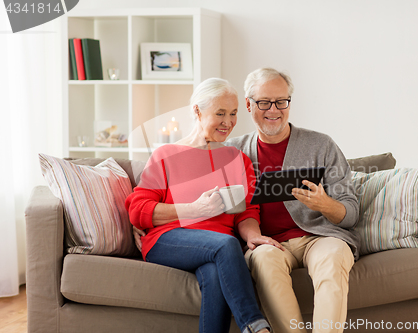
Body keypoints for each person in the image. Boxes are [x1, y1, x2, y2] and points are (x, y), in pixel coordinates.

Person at [126, 78, 282, 333]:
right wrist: (195, 210)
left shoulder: (237, 160)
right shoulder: (166, 154)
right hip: (168, 240)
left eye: (233, 114)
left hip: (217, 248)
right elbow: (138, 209)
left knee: (214, 275)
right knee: (226, 244)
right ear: (198, 110)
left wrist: (254, 237)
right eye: (220, 113)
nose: (229, 122)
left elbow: (247, 211)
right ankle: (255, 326)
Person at [225, 68, 360, 333]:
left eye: (281, 101)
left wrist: (324, 204)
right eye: (264, 102)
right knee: (262, 261)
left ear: (289, 102)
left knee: (333, 257)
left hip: (320, 238)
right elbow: (215, 205)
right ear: (248, 104)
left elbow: (352, 212)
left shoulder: (321, 145)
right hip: (268, 243)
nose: (273, 110)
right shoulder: (233, 150)